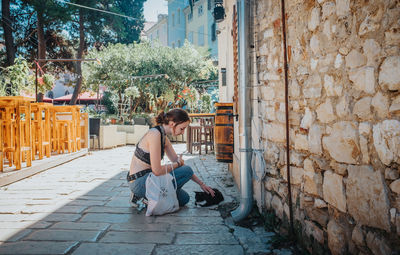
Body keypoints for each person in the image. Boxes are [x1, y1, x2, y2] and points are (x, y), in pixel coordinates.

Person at [127, 108, 215, 208]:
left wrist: (201, 184)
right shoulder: (154, 134)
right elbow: (158, 171)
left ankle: (154, 197)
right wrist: (178, 164)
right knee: (187, 170)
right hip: (139, 182)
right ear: (172, 124)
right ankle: (140, 196)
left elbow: (178, 163)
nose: (182, 132)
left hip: (150, 179)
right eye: (182, 128)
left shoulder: (164, 138)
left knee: (184, 199)